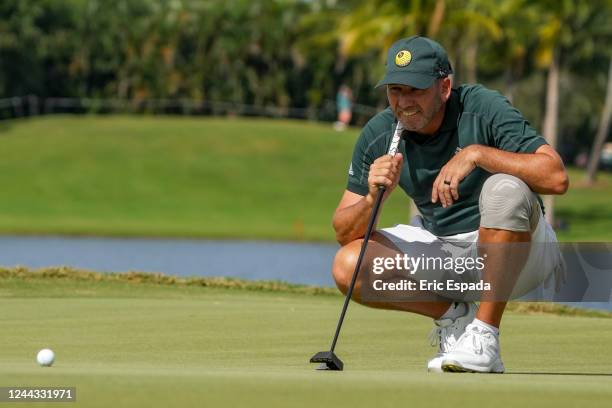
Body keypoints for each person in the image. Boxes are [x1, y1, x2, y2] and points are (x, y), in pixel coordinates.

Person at [332, 35, 568, 373]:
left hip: (524, 257)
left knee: (504, 189)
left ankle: (485, 337)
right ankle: (454, 316)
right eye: (395, 90)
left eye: (415, 90)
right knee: (349, 264)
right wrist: (373, 198)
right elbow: (344, 232)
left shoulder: (481, 107)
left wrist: (478, 154)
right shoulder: (381, 133)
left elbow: (556, 176)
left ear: (444, 87)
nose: (403, 102)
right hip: (449, 255)